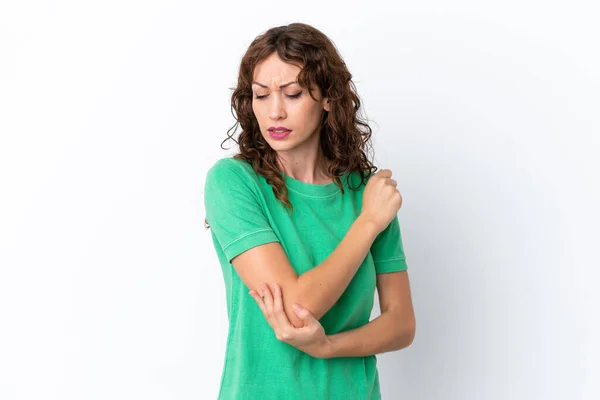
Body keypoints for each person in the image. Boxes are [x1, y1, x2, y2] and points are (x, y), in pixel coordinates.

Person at [203, 22, 416, 400]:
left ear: (328, 99)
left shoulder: (366, 193)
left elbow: (401, 325)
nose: (275, 112)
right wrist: (367, 223)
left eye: (293, 93)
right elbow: (298, 308)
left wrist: (328, 347)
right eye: (261, 95)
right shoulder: (234, 183)